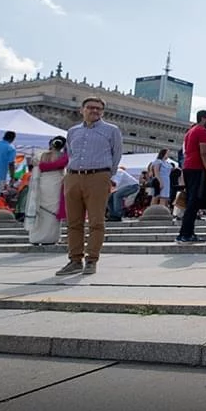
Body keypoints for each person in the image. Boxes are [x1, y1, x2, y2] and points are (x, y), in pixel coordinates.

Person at [56, 97, 122, 277]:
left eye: (99, 109)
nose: (95, 111)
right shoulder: (72, 131)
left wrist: (107, 175)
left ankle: (92, 260)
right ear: (82, 110)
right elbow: (70, 152)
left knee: (96, 221)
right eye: (91, 108)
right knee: (73, 222)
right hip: (73, 176)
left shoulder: (112, 130)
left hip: (98, 176)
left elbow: (116, 155)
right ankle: (75, 260)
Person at [178, 111, 206, 243]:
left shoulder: (191, 131)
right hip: (197, 168)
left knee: (191, 201)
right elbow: (204, 153)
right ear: (203, 118)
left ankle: (186, 232)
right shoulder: (202, 132)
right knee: (194, 202)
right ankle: (186, 233)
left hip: (189, 167)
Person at [26, 136, 67, 244]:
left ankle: (36, 237)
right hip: (56, 183)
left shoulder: (41, 156)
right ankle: (50, 238)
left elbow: (34, 165)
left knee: (41, 209)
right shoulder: (64, 157)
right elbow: (62, 165)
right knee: (53, 210)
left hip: (43, 183)